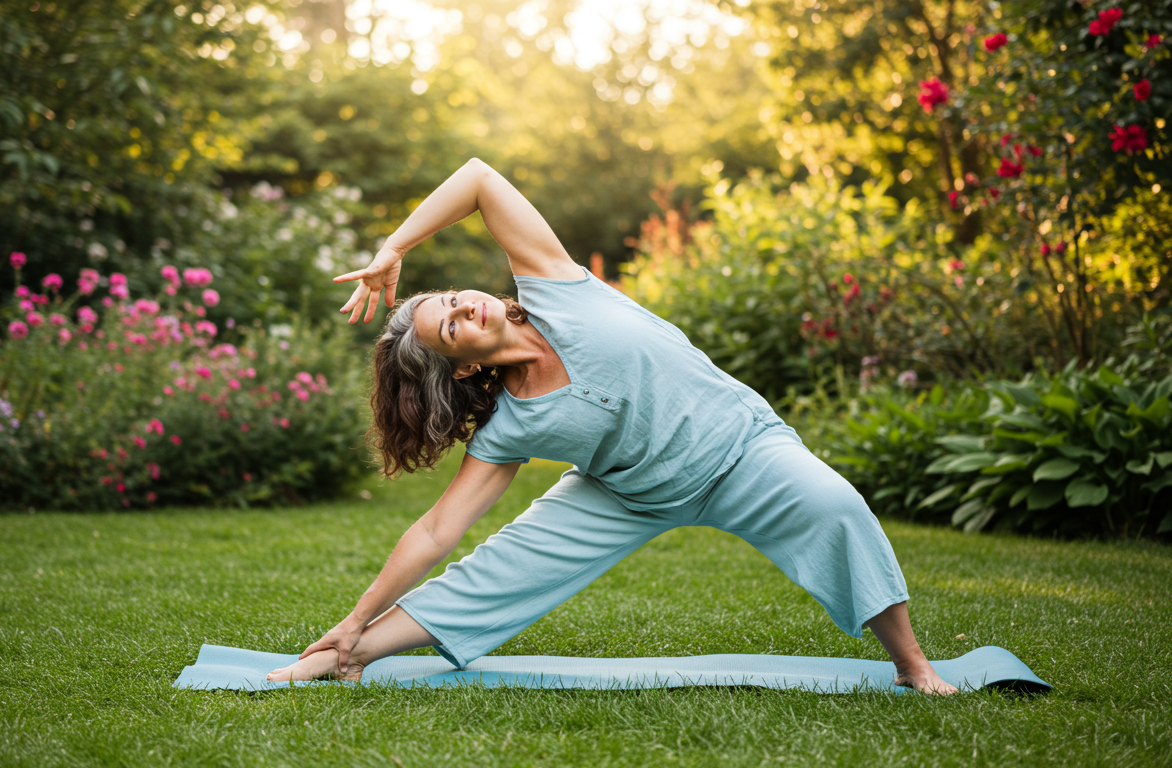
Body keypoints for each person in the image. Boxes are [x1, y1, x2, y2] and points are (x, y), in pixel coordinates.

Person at [267, 158, 958, 694]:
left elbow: (478, 179)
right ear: (459, 370)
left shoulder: (553, 286)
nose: (468, 307)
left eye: (453, 298)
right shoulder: (507, 424)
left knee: (833, 504)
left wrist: (395, 246)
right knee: (500, 571)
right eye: (451, 325)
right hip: (631, 492)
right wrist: (356, 614)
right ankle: (350, 652)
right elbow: (436, 532)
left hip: (738, 446)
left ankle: (911, 665)